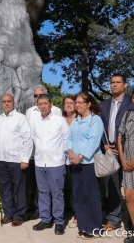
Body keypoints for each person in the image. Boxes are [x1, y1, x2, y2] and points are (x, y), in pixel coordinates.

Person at [30, 94, 69, 235]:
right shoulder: (35, 122)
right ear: (38, 105)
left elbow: (66, 139)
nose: (43, 106)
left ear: (51, 104)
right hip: (40, 163)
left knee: (57, 193)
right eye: (40, 104)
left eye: (45, 103)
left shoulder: (60, 121)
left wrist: (63, 157)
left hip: (56, 163)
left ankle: (59, 222)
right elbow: (33, 142)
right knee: (43, 192)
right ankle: (45, 219)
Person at [67, 92, 104, 239]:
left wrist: (80, 156)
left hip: (88, 163)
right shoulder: (76, 121)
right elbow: (69, 138)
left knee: (91, 196)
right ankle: (83, 226)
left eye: (80, 102)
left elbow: (93, 142)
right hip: (75, 163)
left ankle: (95, 227)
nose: (77, 105)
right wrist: (70, 152)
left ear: (89, 104)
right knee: (78, 196)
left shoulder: (95, 120)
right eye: (76, 102)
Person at [100, 73, 134, 231]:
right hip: (110, 150)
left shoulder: (131, 102)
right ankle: (113, 219)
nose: (114, 85)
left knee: (130, 189)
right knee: (112, 186)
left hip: (129, 151)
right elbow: (100, 127)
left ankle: (132, 221)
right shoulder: (104, 105)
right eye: (112, 82)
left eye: (118, 82)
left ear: (125, 85)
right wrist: (105, 145)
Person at [0, 94, 33, 227]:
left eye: (8, 101)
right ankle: (8, 214)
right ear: (1, 104)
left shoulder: (20, 118)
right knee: (4, 188)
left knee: (19, 189)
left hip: (17, 160)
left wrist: (25, 159)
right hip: (1, 159)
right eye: (4, 101)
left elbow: (27, 139)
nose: (6, 104)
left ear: (14, 103)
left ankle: (18, 215)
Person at [26, 84, 62, 220]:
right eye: (36, 96)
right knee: (39, 187)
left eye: (41, 96)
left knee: (55, 189)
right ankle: (40, 211)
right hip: (36, 155)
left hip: (53, 158)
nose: (38, 98)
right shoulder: (30, 112)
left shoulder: (57, 111)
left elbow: (62, 134)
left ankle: (56, 215)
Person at [62, 95, 78, 229]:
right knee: (63, 189)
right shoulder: (60, 120)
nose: (68, 105)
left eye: (71, 102)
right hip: (62, 161)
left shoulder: (79, 119)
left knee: (76, 189)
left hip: (76, 160)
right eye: (66, 103)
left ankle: (78, 215)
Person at [118, 107, 134, 243]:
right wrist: (123, 159)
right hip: (127, 162)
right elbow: (120, 136)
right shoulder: (128, 114)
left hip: (132, 161)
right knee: (128, 197)